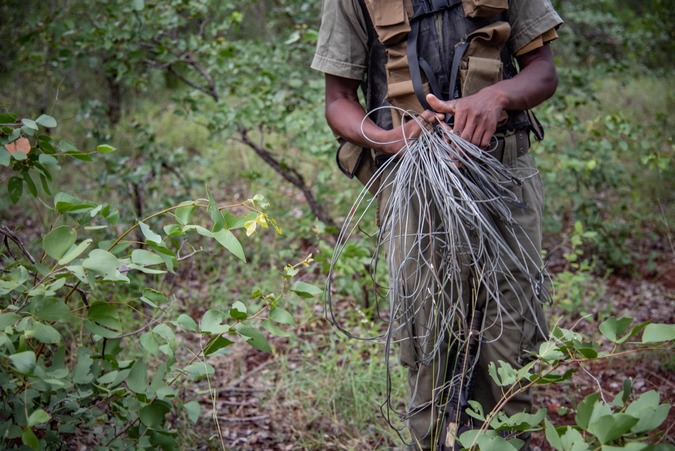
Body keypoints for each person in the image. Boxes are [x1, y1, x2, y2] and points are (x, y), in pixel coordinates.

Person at [312, 0, 562, 449]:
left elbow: (543, 71)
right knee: (425, 349)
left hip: (504, 182)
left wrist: (497, 96)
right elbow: (338, 101)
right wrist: (390, 139)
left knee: (509, 349)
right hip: (414, 190)